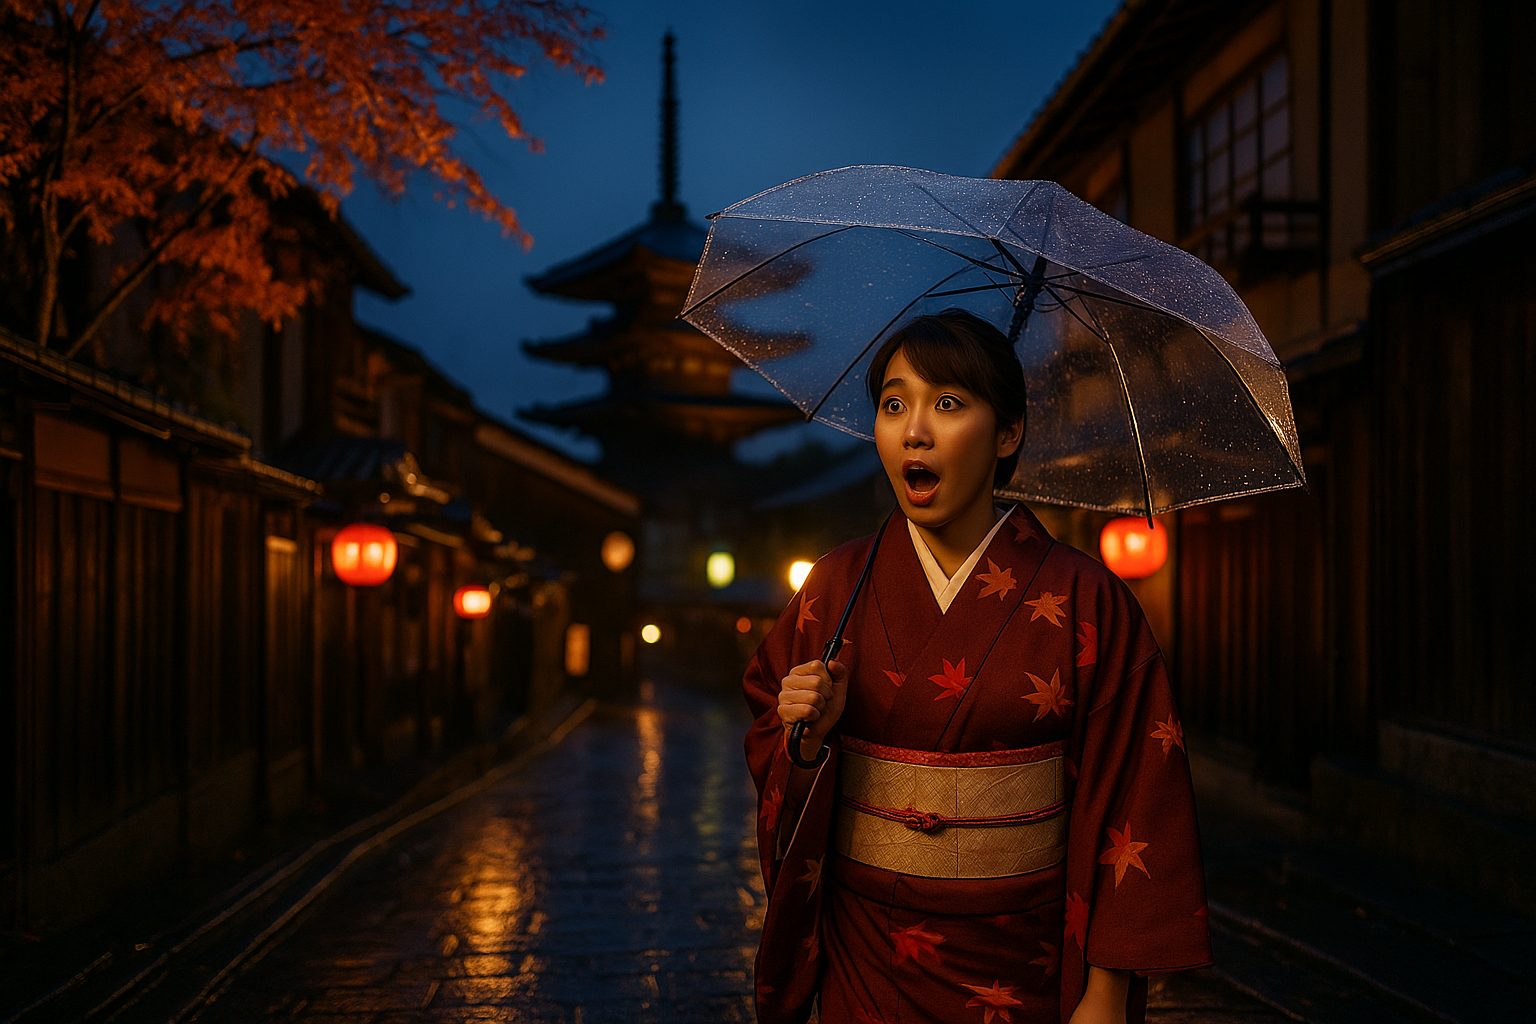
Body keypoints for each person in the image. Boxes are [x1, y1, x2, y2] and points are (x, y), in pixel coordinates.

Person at [742, 309, 1212, 1024]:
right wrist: (804, 742)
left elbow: (1138, 793)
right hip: (867, 960)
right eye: (893, 404)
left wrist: (1106, 991)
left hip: (1024, 961)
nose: (914, 430)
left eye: (949, 403)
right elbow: (773, 752)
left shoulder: (1088, 600)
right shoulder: (834, 589)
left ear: (1009, 433)